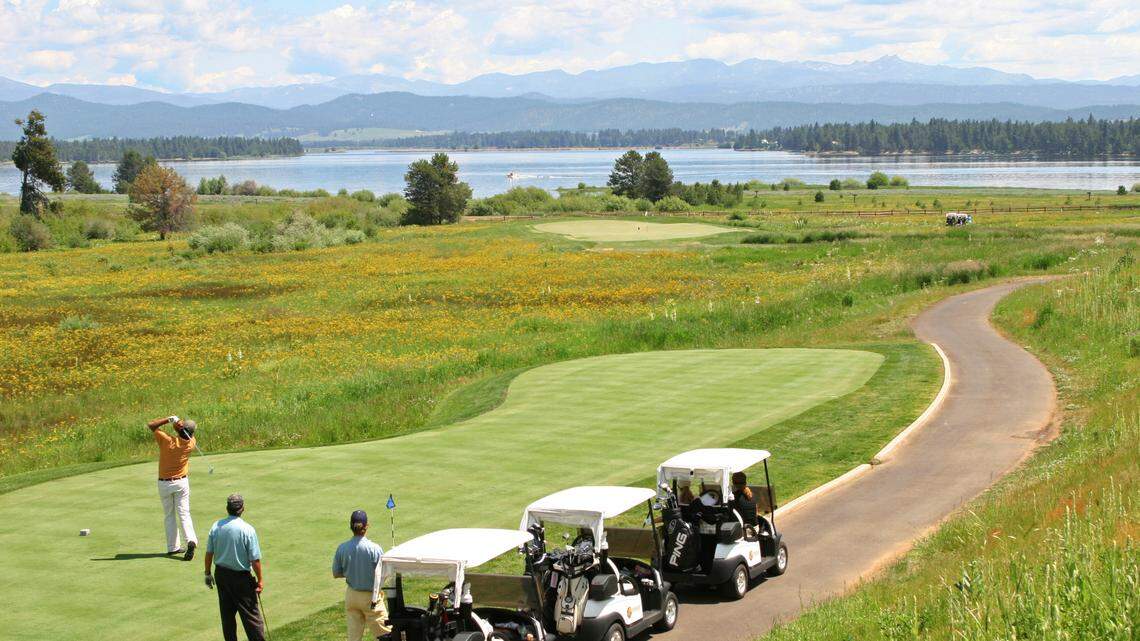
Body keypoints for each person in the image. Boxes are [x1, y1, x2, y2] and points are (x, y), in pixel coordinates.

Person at [204, 494, 266, 641]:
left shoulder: (216, 526)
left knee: (227, 616)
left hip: (221, 575)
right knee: (251, 616)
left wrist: (207, 573)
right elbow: (254, 560)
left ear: (227, 508)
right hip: (241, 579)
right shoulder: (247, 529)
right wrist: (260, 580)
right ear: (242, 509)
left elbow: (209, 553)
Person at [332, 510, 390, 641]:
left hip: (351, 596)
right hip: (371, 597)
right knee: (386, 635)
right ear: (366, 526)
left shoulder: (342, 548)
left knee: (354, 638)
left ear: (351, 527)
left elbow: (336, 573)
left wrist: (351, 572)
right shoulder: (375, 549)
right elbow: (384, 573)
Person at [147, 414, 198, 560]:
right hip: (181, 483)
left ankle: (173, 547)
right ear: (192, 433)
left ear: (179, 430)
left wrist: (170, 419)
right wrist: (179, 424)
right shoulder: (191, 443)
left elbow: (151, 425)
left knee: (169, 515)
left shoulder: (167, 440)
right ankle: (191, 540)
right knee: (184, 513)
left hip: (164, 483)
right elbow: (181, 432)